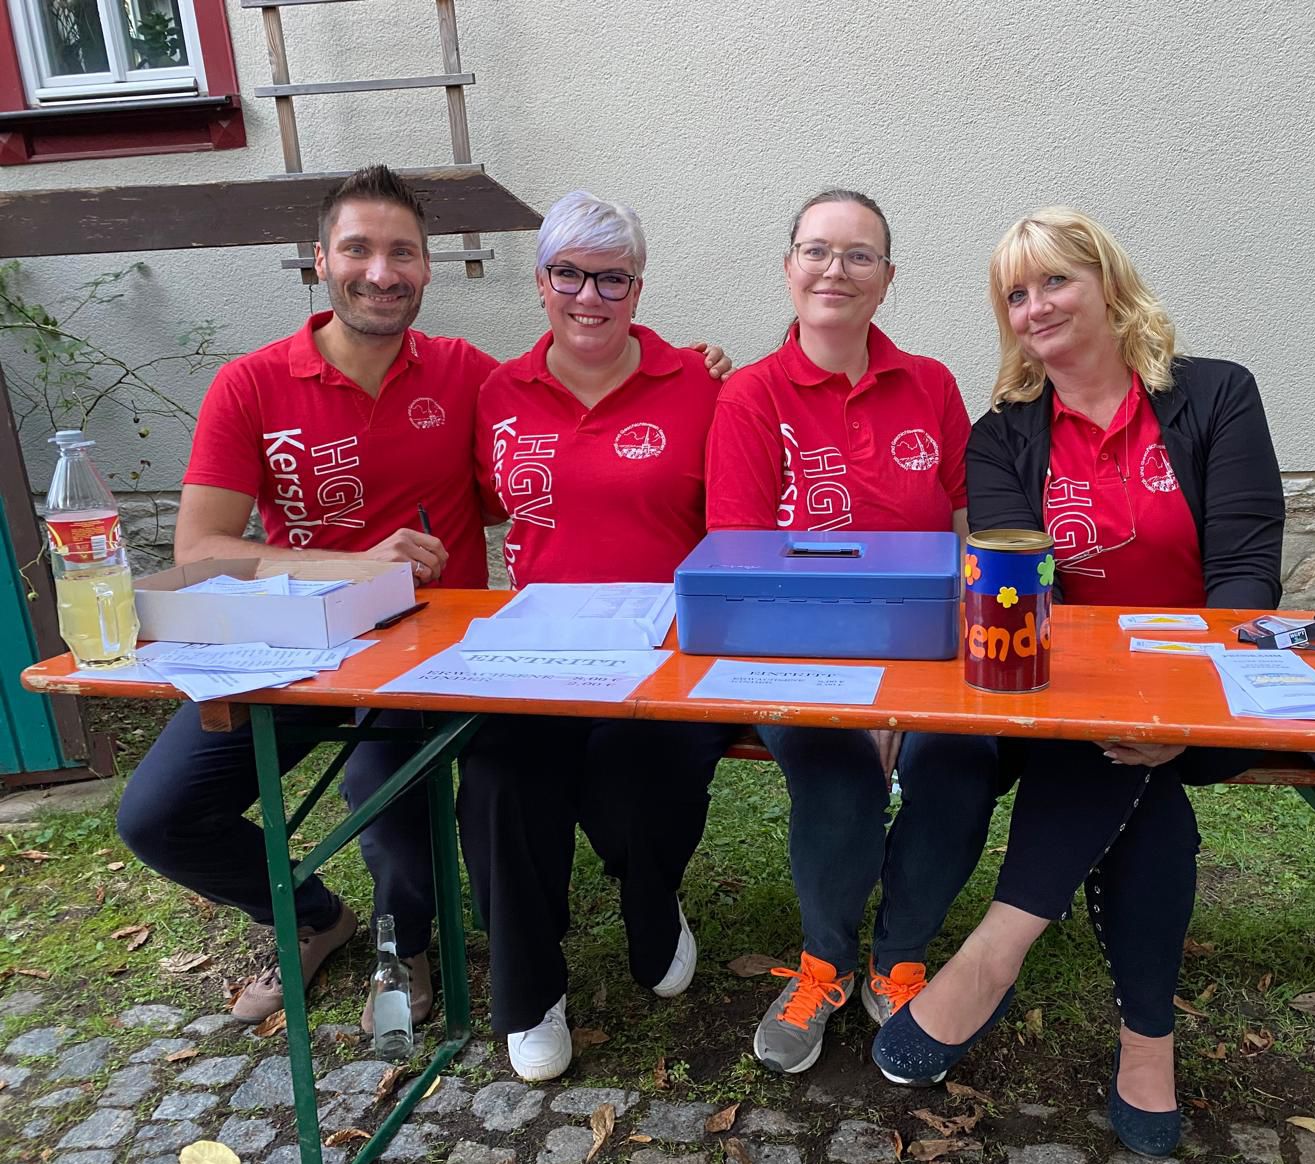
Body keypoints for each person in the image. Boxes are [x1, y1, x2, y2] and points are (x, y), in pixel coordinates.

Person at [872, 207, 1287, 1157]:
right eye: (1016, 295)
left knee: (1120, 758)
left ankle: (994, 951)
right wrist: (1112, 708)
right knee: (1123, 774)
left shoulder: (1217, 394)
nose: (1037, 306)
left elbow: (1244, 575)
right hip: (1057, 696)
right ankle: (1148, 1044)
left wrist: (1183, 715)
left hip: (1208, 691)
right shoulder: (1003, 437)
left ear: (1108, 283)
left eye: (1056, 279)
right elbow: (1021, 596)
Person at [116, 165, 496, 1030]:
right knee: (158, 816)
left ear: (426, 267)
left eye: (403, 252)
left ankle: (405, 944)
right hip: (293, 641)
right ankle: (314, 914)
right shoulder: (251, 384)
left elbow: (564, 419)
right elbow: (199, 548)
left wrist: (682, 370)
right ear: (319, 260)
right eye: (358, 249)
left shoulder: (468, 372)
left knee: (382, 781)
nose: (381, 272)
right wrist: (353, 565)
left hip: (429, 645)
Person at [705, 189, 1002, 1075]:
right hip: (794, 652)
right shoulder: (751, 397)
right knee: (837, 768)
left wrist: (918, 688)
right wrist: (859, 701)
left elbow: (965, 527)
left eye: (859, 254)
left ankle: (898, 959)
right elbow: (743, 566)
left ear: (887, 278)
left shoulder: (931, 384)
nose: (836, 269)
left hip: (925, 650)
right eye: (817, 251)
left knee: (961, 762)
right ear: (789, 268)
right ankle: (824, 965)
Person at [457, 190, 740, 1082]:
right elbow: (485, 504)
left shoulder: (699, 383)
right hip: (538, 652)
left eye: (612, 278)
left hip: (667, 653)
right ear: (541, 282)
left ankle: (652, 898)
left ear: (637, 289)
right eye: (569, 274)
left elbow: (736, 522)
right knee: (498, 780)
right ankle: (529, 990)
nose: (590, 295)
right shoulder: (498, 392)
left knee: (632, 770)